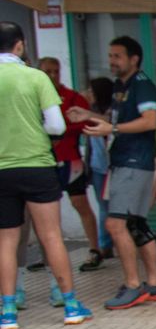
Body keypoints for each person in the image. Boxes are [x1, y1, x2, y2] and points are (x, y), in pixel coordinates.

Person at [0, 21, 93, 329]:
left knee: (7, 240)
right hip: (38, 166)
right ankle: (69, 305)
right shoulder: (37, 77)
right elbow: (56, 126)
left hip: (1, 170)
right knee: (51, 235)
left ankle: (9, 311)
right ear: (20, 45)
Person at [78, 36, 156, 310]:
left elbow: (150, 121)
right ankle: (155, 284)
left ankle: (132, 285)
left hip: (133, 162)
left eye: (117, 56)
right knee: (137, 224)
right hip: (125, 161)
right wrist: (88, 114)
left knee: (115, 225)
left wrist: (112, 130)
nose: (112, 61)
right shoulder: (120, 86)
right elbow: (119, 120)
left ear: (134, 59)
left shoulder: (143, 86)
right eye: (110, 56)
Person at [37, 57, 97, 266]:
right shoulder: (33, 96)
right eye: (48, 71)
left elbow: (87, 123)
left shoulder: (72, 97)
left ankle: (94, 249)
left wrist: (61, 132)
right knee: (44, 210)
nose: (53, 76)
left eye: (56, 71)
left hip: (70, 160)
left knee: (80, 203)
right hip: (43, 162)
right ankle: (47, 256)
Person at [74, 77, 116, 269]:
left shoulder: (109, 113)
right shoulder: (90, 112)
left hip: (112, 166)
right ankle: (105, 244)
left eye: (91, 90)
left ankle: (107, 243)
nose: (87, 93)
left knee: (109, 207)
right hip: (98, 167)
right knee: (103, 206)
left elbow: (112, 128)